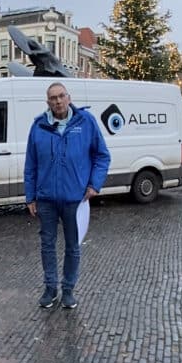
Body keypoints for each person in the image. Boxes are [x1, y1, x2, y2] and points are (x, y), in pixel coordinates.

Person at [24, 82, 111, 310]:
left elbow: (102, 156)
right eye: (53, 98)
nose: (58, 101)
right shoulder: (39, 126)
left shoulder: (86, 122)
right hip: (46, 199)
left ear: (69, 98)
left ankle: (69, 290)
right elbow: (30, 164)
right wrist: (30, 197)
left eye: (61, 96)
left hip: (75, 199)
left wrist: (95, 185)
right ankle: (50, 289)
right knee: (47, 245)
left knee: (73, 246)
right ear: (48, 102)